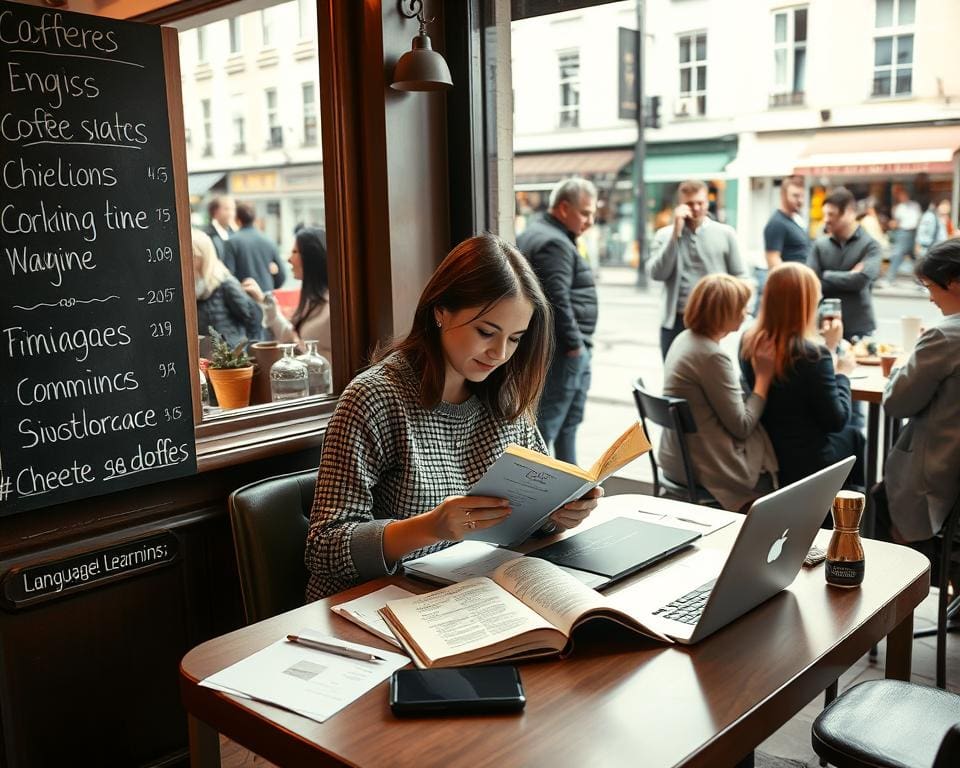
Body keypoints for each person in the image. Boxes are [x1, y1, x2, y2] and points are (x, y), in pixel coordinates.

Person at [304, 234, 602, 601]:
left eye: (515, 339)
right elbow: (324, 548)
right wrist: (430, 527)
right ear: (440, 310)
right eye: (486, 332)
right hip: (379, 607)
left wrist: (560, 514)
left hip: (469, 594)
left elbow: (530, 515)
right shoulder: (375, 397)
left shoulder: (504, 395)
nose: (499, 353)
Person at [740, 262, 864, 493]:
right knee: (855, 434)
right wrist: (842, 374)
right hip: (807, 462)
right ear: (805, 305)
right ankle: (851, 516)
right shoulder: (813, 355)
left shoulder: (749, 341)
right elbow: (836, 421)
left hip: (767, 450)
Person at [659, 274, 779, 512]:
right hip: (705, 467)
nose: (746, 313)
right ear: (723, 313)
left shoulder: (684, 339)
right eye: (741, 307)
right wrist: (764, 377)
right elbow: (742, 426)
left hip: (676, 459)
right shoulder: (711, 356)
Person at [876, 240, 960, 549]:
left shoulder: (944, 336)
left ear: (952, 282)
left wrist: (906, 359)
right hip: (953, 476)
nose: (931, 299)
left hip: (934, 484)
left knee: (877, 502)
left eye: (929, 287)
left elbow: (896, 402)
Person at [516, 177, 598, 464]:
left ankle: (569, 493)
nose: (590, 221)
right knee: (553, 426)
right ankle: (549, 497)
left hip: (558, 349)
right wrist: (575, 345)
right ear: (563, 208)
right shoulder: (555, 243)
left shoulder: (537, 232)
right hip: (565, 351)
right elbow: (556, 300)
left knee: (561, 425)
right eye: (585, 213)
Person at [648, 179, 747, 359]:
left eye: (700, 203)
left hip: (714, 319)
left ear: (707, 202)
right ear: (680, 205)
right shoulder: (664, 235)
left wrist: (737, 309)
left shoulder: (726, 233)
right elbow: (657, 273)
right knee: (676, 377)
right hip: (676, 320)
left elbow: (741, 275)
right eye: (689, 203)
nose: (695, 208)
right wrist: (675, 236)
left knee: (711, 375)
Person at [242, 226, 332, 363]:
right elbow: (292, 340)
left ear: (312, 256)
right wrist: (263, 300)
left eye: (295, 252)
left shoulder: (331, 306)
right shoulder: (314, 300)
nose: (289, 259)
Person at [807, 187, 881, 342]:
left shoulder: (871, 245)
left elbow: (860, 281)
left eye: (831, 214)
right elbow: (812, 283)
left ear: (849, 212)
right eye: (825, 214)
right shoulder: (819, 245)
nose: (826, 219)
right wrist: (848, 276)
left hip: (859, 329)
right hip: (824, 326)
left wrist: (826, 274)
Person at [192, 228, 262, 348]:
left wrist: (247, 352)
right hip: (206, 359)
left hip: (230, 359)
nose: (187, 260)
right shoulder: (193, 286)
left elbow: (253, 318)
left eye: (193, 255)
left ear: (204, 256)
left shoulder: (225, 283)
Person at [223, 202, 287, 293]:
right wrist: (270, 286)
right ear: (255, 219)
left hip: (244, 297)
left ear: (237, 219)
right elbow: (282, 276)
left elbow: (228, 276)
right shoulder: (269, 241)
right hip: (266, 296)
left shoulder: (231, 242)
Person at [884, 183, 922, 284]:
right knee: (898, 255)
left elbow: (918, 220)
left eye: (904, 195)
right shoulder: (899, 208)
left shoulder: (915, 205)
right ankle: (890, 278)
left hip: (913, 233)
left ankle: (919, 280)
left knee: (914, 257)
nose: (903, 197)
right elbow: (896, 222)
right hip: (903, 233)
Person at [204, 195, 236, 263]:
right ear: (215, 212)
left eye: (233, 209)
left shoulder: (234, 234)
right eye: (227, 209)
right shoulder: (206, 235)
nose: (231, 213)